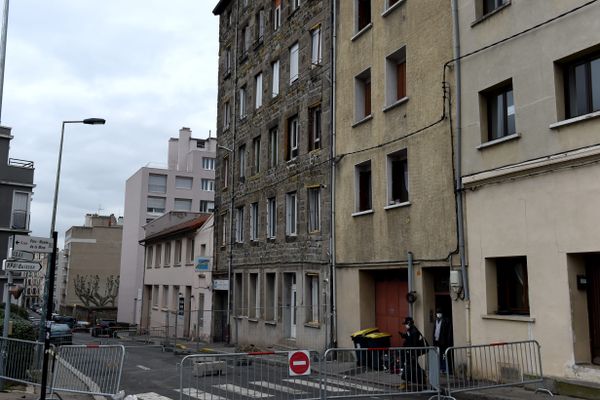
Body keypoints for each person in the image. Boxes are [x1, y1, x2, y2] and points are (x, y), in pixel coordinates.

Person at [398, 316, 427, 385]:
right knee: (413, 364)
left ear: (409, 323)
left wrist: (413, 354)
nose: (405, 326)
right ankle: (416, 379)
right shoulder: (410, 330)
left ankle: (421, 379)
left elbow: (414, 343)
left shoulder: (414, 331)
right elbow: (409, 338)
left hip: (414, 351)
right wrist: (403, 335)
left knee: (413, 364)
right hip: (411, 351)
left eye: (406, 324)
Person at [432, 308, 452, 373]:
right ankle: (441, 368)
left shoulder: (446, 320)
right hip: (437, 341)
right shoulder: (436, 321)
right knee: (439, 355)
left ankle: (445, 368)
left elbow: (448, 332)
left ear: (442, 314)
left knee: (444, 355)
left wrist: (448, 341)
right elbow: (435, 330)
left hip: (443, 341)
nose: (438, 314)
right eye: (437, 313)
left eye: (439, 313)